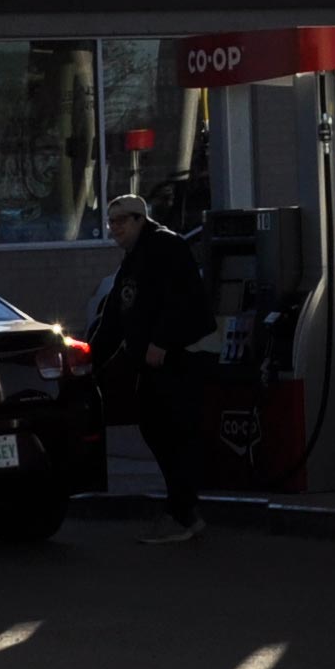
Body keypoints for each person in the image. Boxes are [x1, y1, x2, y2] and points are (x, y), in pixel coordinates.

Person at [96, 194, 215, 543]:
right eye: (110, 222)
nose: (114, 228)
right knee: (155, 426)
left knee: (174, 432)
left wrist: (162, 342)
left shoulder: (166, 246)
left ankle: (180, 514)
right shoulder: (131, 262)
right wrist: (90, 360)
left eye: (120, 220)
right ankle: (184, 510)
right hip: (152, 363)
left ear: (139, 220)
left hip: (181, 359)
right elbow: (115, 318)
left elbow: (187, 298)